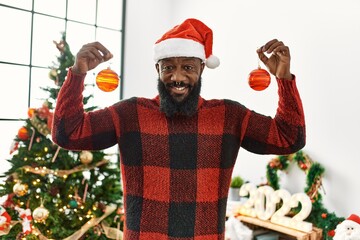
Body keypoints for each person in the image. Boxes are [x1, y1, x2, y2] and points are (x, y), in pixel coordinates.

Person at [52, 18, 305, 239]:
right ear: (157, 69)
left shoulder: (229, 116)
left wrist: (284, 79)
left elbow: (288, 138)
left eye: (188, 67)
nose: (178, 77)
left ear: (202, 68)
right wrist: (77, 73)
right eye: (169, 67)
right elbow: (68, 133)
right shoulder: (130, 114)